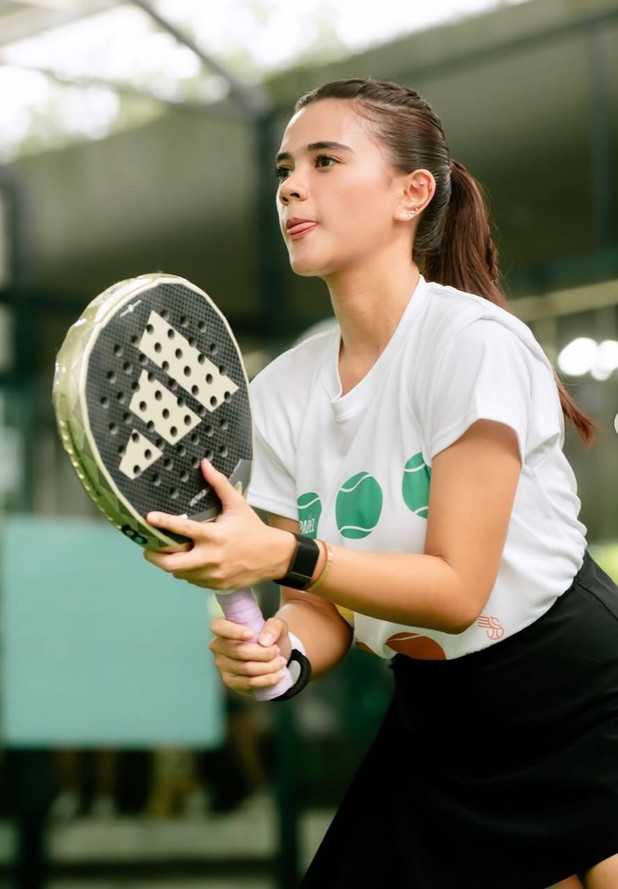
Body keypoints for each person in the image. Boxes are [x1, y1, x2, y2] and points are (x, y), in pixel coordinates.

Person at [143, 78, 618, 889]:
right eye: (286, 167)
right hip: (438, 718)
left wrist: (286, 553)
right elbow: (325, 610)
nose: (293, 184)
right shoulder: (285, 390)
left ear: (413, 192)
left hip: (580, 698)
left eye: (326, 160)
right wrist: (283, 651)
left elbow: (457, 590)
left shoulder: (474, 343)